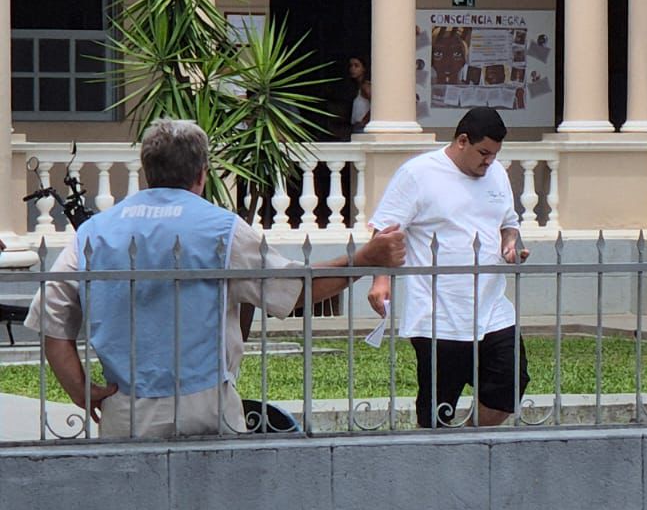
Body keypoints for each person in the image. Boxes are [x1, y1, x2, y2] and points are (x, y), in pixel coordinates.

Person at [26, 119, 406, 437]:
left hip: (126, 404)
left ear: (146, 172)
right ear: (202, 173)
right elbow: (296, 290)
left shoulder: (93, 232)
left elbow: (52, 321)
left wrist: (81, 392)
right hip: (206, 402)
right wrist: (364, 259)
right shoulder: (222, 229)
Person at [367, 107, 530, 428]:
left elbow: (508, 225)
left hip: (493, 308)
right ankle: (436, 456)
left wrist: (510, 245)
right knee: (438, 406)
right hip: (437, 314)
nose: (489, 161)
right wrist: (380, 279)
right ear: (462, 141)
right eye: (483, 153)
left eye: (495, 155)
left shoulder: (496, 173)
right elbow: (384, 232)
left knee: (510, 385)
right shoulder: (418, 174)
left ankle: (468, 441)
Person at [347, 56, 372, 134]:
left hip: (363, 127)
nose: (352, 69)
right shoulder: (358, 87)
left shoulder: (366, 86)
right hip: (356, 126)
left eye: (356, 66)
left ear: (364, 69)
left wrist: (364, 121)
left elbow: (376, 105)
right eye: (351, 66)